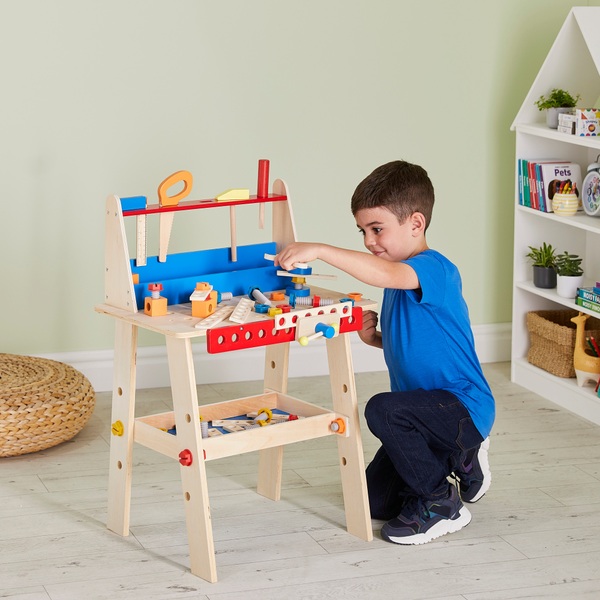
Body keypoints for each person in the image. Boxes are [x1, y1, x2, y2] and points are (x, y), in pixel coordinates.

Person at [275, 160, 495, 545]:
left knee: (382, 408)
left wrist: (322, 250)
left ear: (415, 223)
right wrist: (373, 338)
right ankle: (457, 458)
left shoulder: (431, 270)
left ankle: (441, 501)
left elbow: (383, 275)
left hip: (462, 408)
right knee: (374, 501)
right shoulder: (396, 277)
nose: (369, 241)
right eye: (362, 231)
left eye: (377, 229)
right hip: (428, 414)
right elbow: (414, 348)